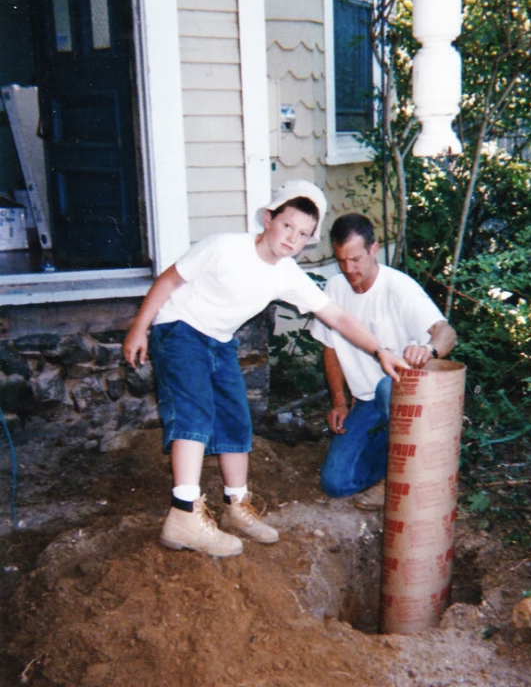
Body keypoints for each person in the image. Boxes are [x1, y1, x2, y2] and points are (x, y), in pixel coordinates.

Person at [123, 182, 408, 558]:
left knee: (236, 419)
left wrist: (380, 349)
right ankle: (184, 514)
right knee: (195, 413)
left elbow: (336, 315)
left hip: (220, 340)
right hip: (178, 328)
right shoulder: (224, 246)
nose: (293, 239)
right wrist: (139, 327)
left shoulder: (287, 274)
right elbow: (171, 280)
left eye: (304, 234)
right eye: (288, 226)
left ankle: (236, 507)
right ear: (268, 219)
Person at [311, 213, 457, 507]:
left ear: (373, 249)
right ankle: (401, 467)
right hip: (366, 403)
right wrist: (339, 401)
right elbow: (330, 348)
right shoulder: (335, 289)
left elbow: (447, 332)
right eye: (341, 261)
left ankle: (401, 479)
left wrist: (429, 350)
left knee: (386, 387)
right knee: (336, 483)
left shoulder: (398, 288)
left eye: (355, 259)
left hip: (403, 397)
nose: (349, 269)